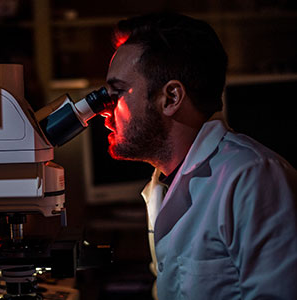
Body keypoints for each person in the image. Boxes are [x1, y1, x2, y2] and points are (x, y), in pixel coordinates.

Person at [102, 12, 297, 300]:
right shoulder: (163, 183)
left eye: (116, 93)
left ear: (171, 98)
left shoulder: (252, 176)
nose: (105, 112)